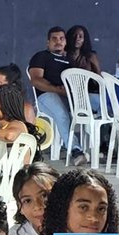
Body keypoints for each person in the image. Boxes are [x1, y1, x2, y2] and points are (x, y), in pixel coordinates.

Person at [29, 27, 80, 159]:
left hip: (69, 97)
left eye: (61, 38)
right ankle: (75, 150)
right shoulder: (41, 56)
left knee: (99, 104)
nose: (58, 41)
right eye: (54, 39)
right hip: (47, 96)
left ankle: (107, 146)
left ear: (65, 42)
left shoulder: (70, 61)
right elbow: (36, 80)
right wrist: (58, 90)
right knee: (61, 113)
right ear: (48, 42)